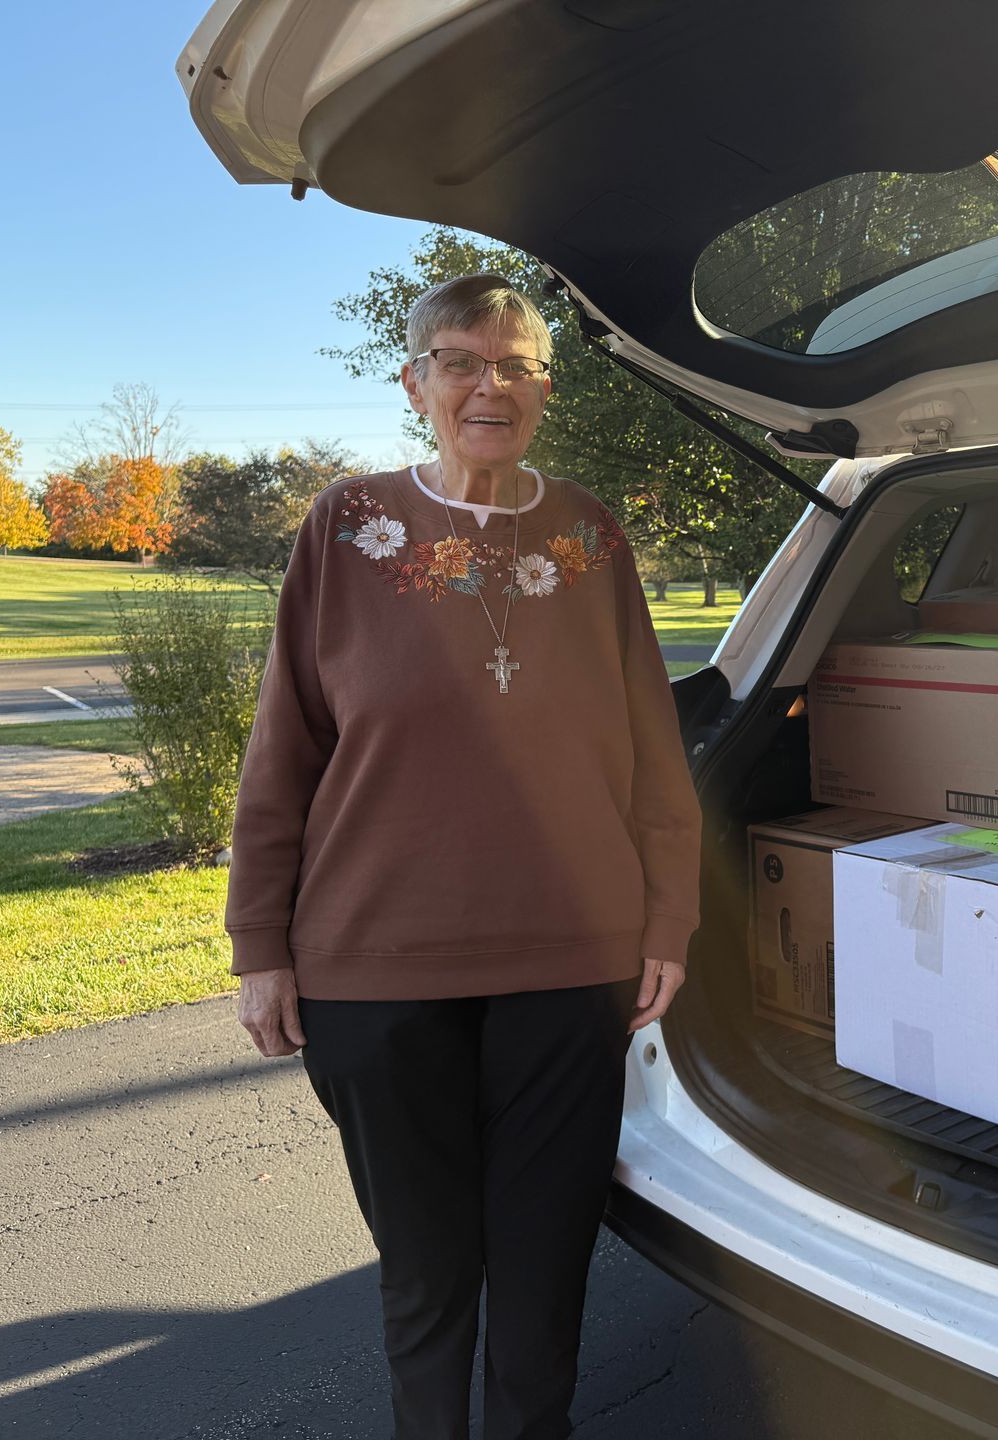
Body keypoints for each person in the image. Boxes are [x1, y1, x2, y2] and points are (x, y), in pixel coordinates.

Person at [225, 274, 701, 1440]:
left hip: (568, 962)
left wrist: (667, 921)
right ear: (415, 382)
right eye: (460, 360)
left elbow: (651, 744)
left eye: (518, 363)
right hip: (372, 970)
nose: (490, 385)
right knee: (427, 1274)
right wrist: (260, 944)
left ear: (545, 385)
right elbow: (285, 742)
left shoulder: (589, 533)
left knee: (543, 1275)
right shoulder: (347, 526)